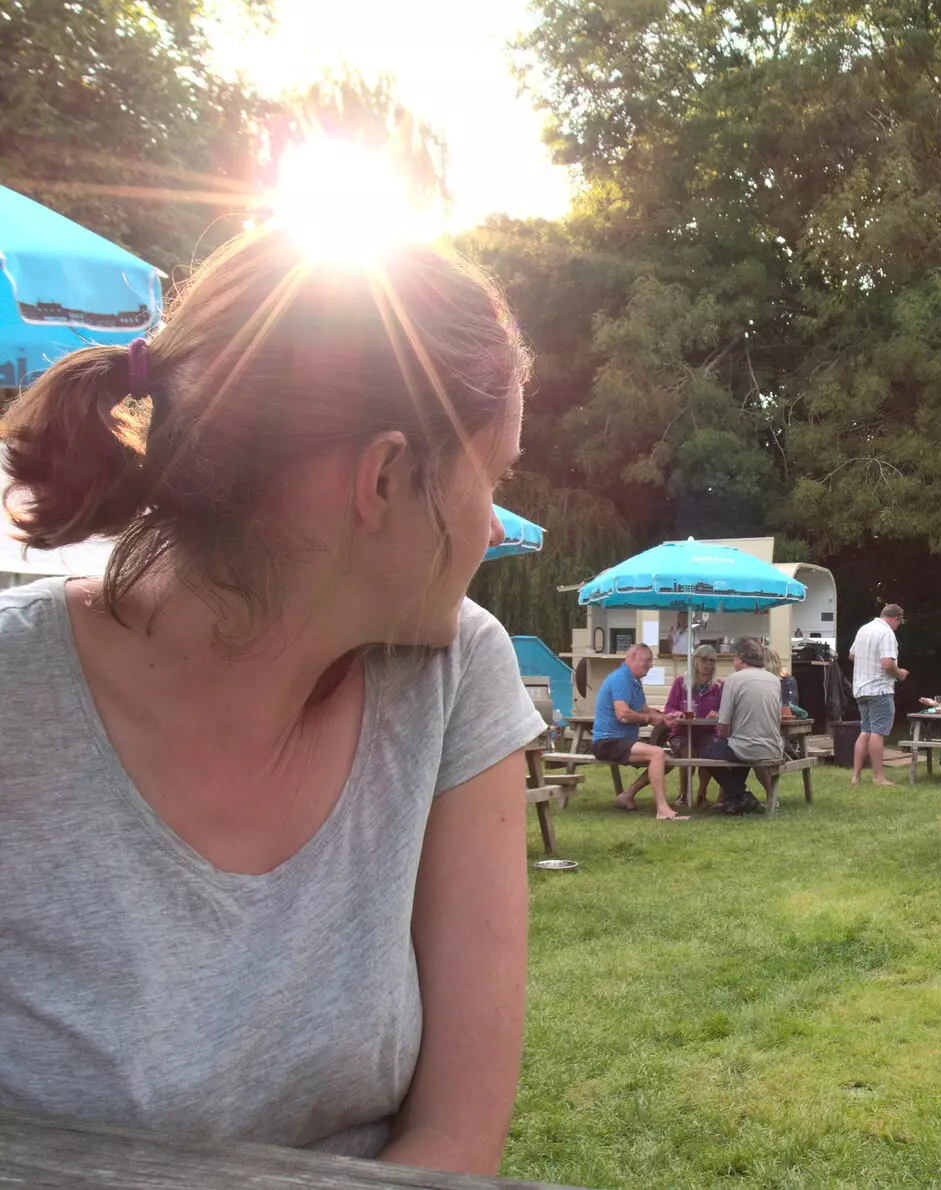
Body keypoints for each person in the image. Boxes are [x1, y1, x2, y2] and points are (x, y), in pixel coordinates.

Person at [0, 227, 542, 1172]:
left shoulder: (453, 675)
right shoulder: (17, 696)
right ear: (381, 479)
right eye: (490, 477)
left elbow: (456, 1137)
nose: (493, 525)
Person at [592, 644, 687, 820]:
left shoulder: (634, 682)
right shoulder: (621, 678)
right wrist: (648, 719)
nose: (651, 665)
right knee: (657, 753)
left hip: (623, 740)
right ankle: (662, 809)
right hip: (608, 742)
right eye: (648, 660)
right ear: (633, 657)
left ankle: (627, 795)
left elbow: (645, 710)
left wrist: (666, 718)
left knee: (668, 760)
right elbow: (623, 714)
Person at [704, 636, 785, 814]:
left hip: (745, 747)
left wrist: (728, 734)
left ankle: (741, 796)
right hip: (773, 747)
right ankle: (735, 800)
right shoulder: (774, 680)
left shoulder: (734, 680)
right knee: (739, 749)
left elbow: (723, 726)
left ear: (740, 658)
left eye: (734, 658)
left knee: (708, 754)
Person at [848, 603, 907, 786]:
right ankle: (878, 777)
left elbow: (852, 655)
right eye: (899, 622)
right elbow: (888, 663)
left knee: (865, 730)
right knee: (877, 732)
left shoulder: (864, 629)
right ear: (895, 619)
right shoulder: (887, 633)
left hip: (860, 688)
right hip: (879, 689)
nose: (898, 626)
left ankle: (855, 776)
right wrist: (900, 673)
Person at [663, 643, 722, 807]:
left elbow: (724, 709)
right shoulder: (681, 683)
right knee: (689, 753)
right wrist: (677, 714)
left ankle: (701, 794)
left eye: (712, 661)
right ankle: (684, 794)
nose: (707, 664)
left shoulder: (718, 686)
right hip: (682, 731)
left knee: (709, 752)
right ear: (695, 660)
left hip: (708, 731)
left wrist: (717, 713)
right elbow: (669, 707)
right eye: (704, 659)